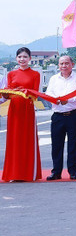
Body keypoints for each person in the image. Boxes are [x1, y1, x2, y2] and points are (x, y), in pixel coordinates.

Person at [1, 47, 42, 182]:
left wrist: (25, 91)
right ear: (16, 59)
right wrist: (6, 93)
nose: (22, 59)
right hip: (14, 109)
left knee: (27, 139)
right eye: (20, 57)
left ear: (30, 59)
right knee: (14, 140)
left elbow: (35, 93)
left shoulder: (35, 74)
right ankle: (14, 173)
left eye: (25, 57)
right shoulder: (11, 74)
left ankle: (29, 173)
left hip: (27, 109)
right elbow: (7, 93)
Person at [45, 55, 76, 181]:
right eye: (61, 64)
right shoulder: (54, 78)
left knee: (73, 144)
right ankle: (56, 171)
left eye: (66, 63)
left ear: (72, 64)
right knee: (56, 145)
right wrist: (56, 99)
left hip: (72, 114)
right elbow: (48, 93)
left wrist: (68, 100)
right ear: (58, 65)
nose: (64, 66)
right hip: (58, 115)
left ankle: (73, 171)